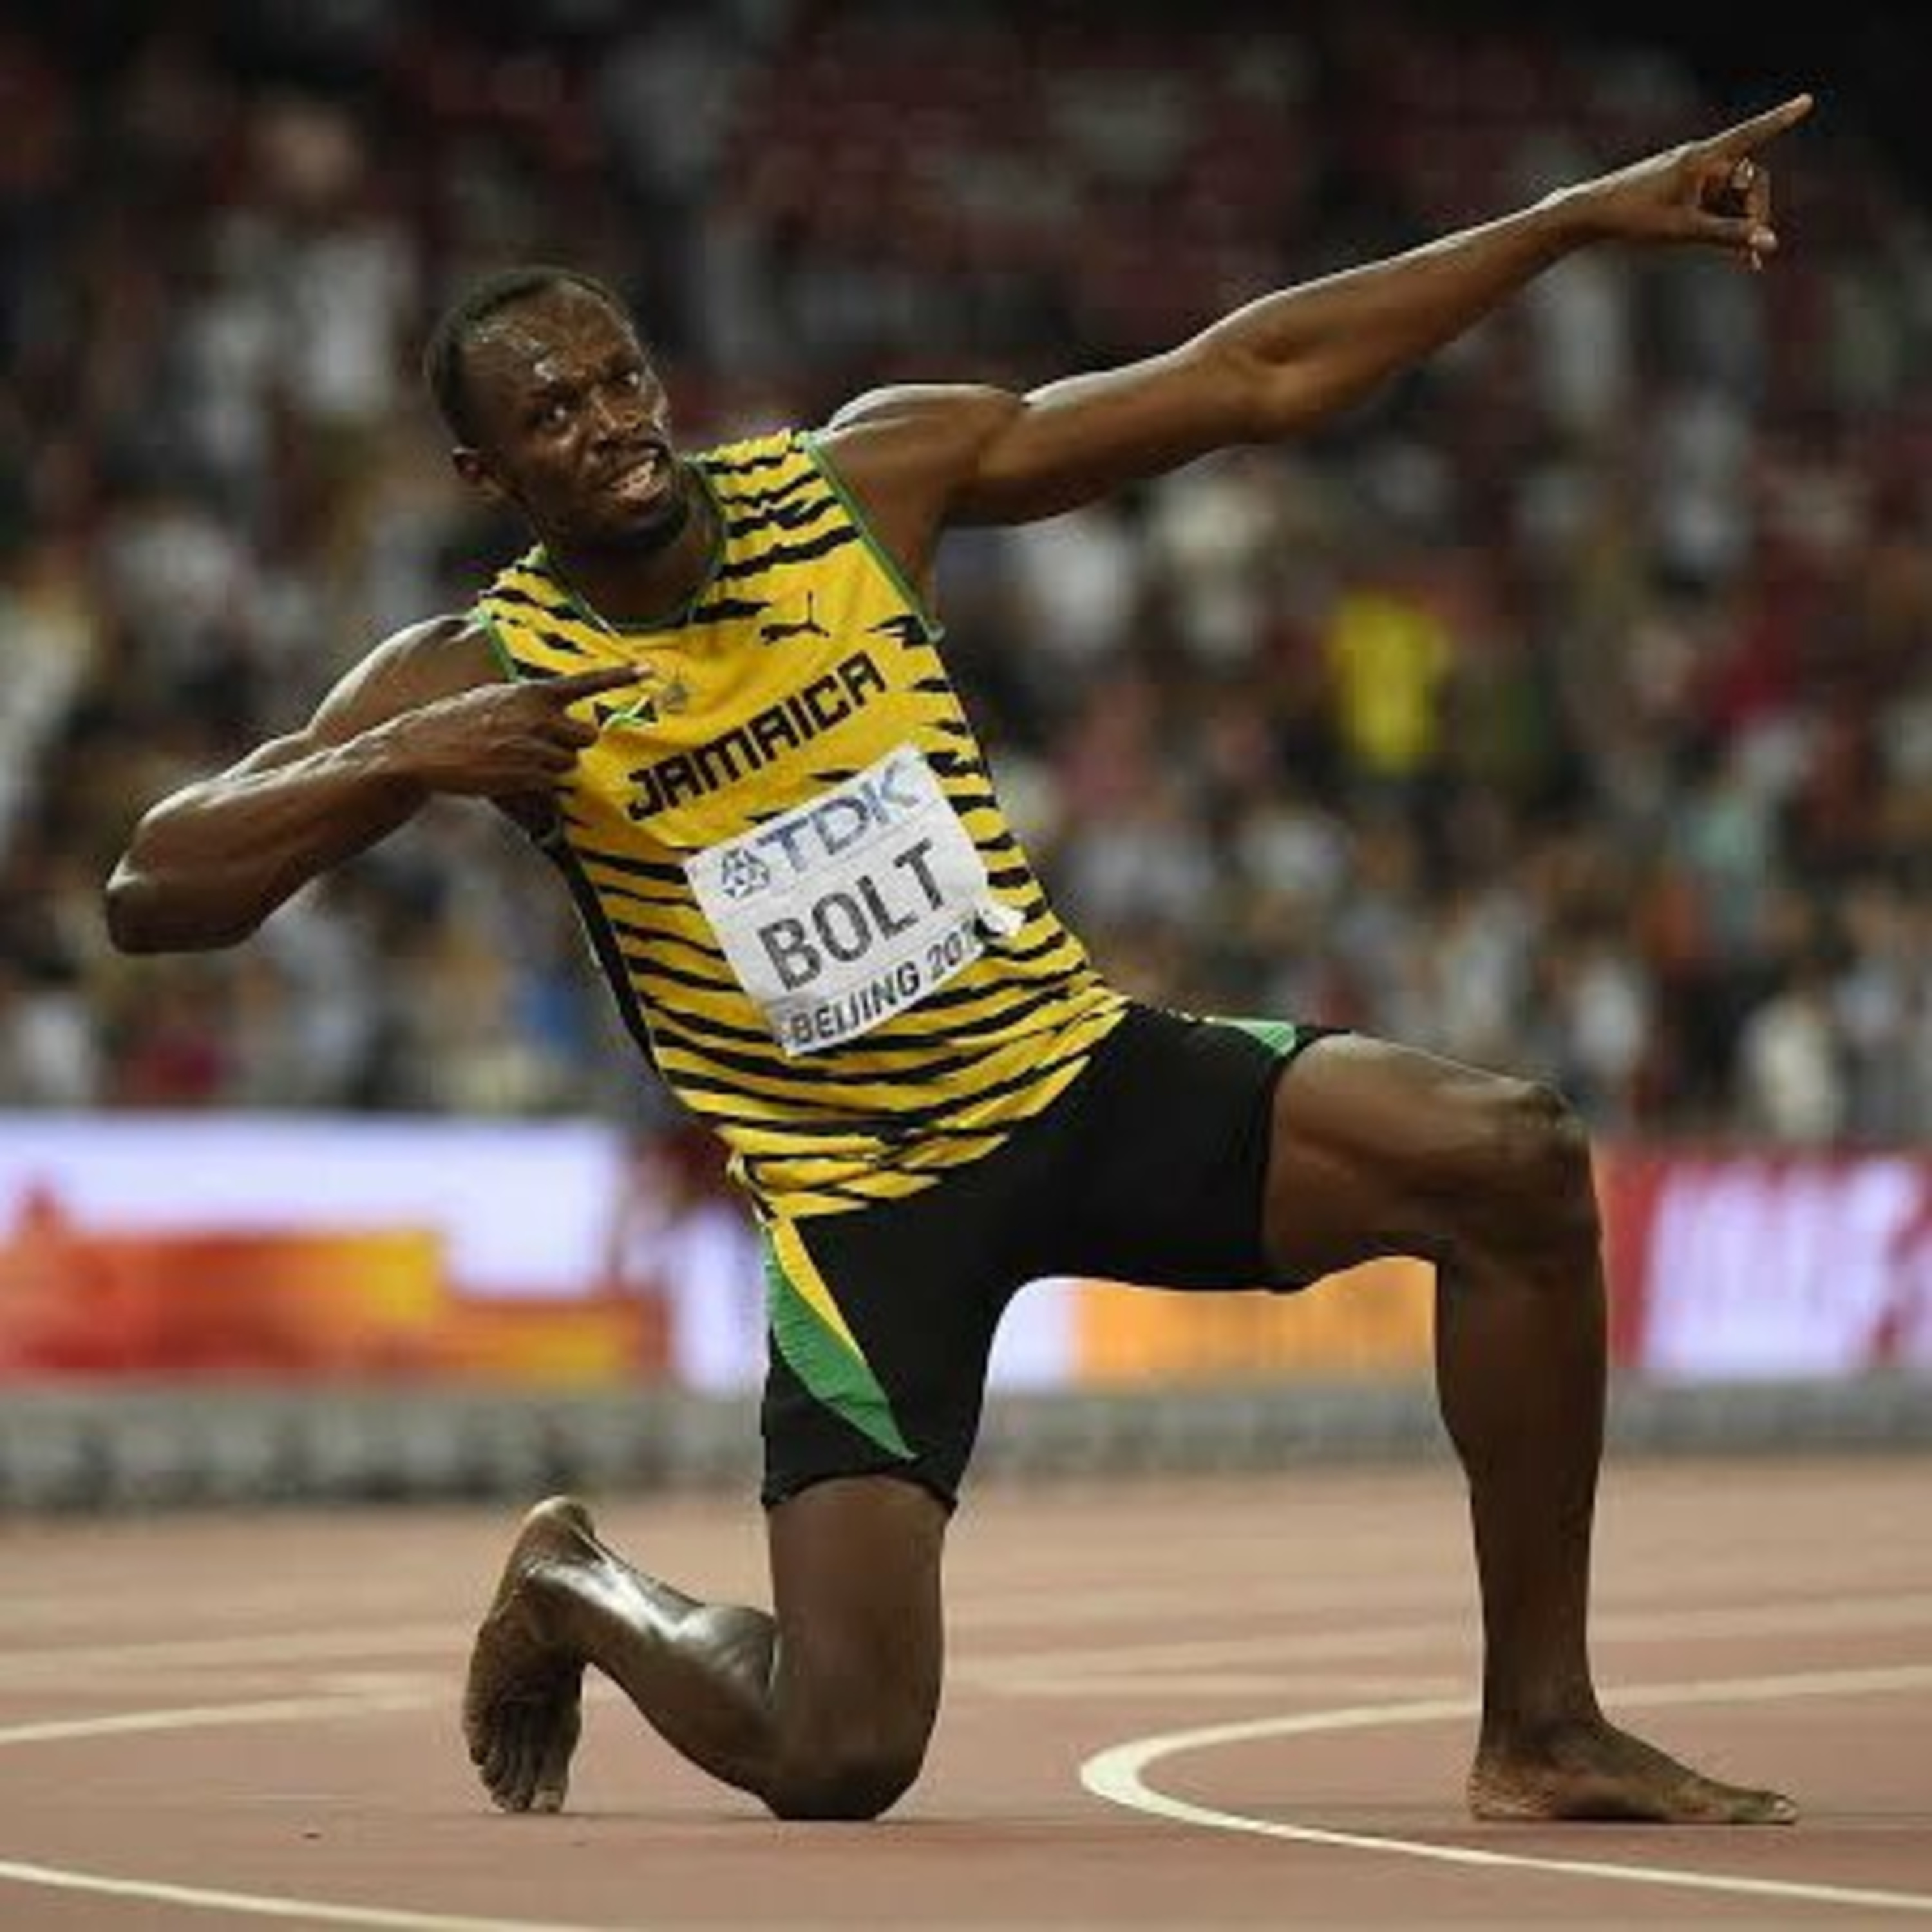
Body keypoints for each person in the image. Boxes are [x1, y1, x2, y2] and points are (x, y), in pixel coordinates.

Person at [104, 92, 1814, 1826]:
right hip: (865, 1207)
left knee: (1513, 1158)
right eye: (550, 414)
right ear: (486, 477)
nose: (608, 425)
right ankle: (578, 1586)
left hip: (1076, 1078)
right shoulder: (478, 668)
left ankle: (1543, 1724)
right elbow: (152, 886)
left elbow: (1255, 375)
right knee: (839, 1753)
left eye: (619, 380)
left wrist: (1568, 217)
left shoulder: (861, 486)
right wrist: (407, 759)